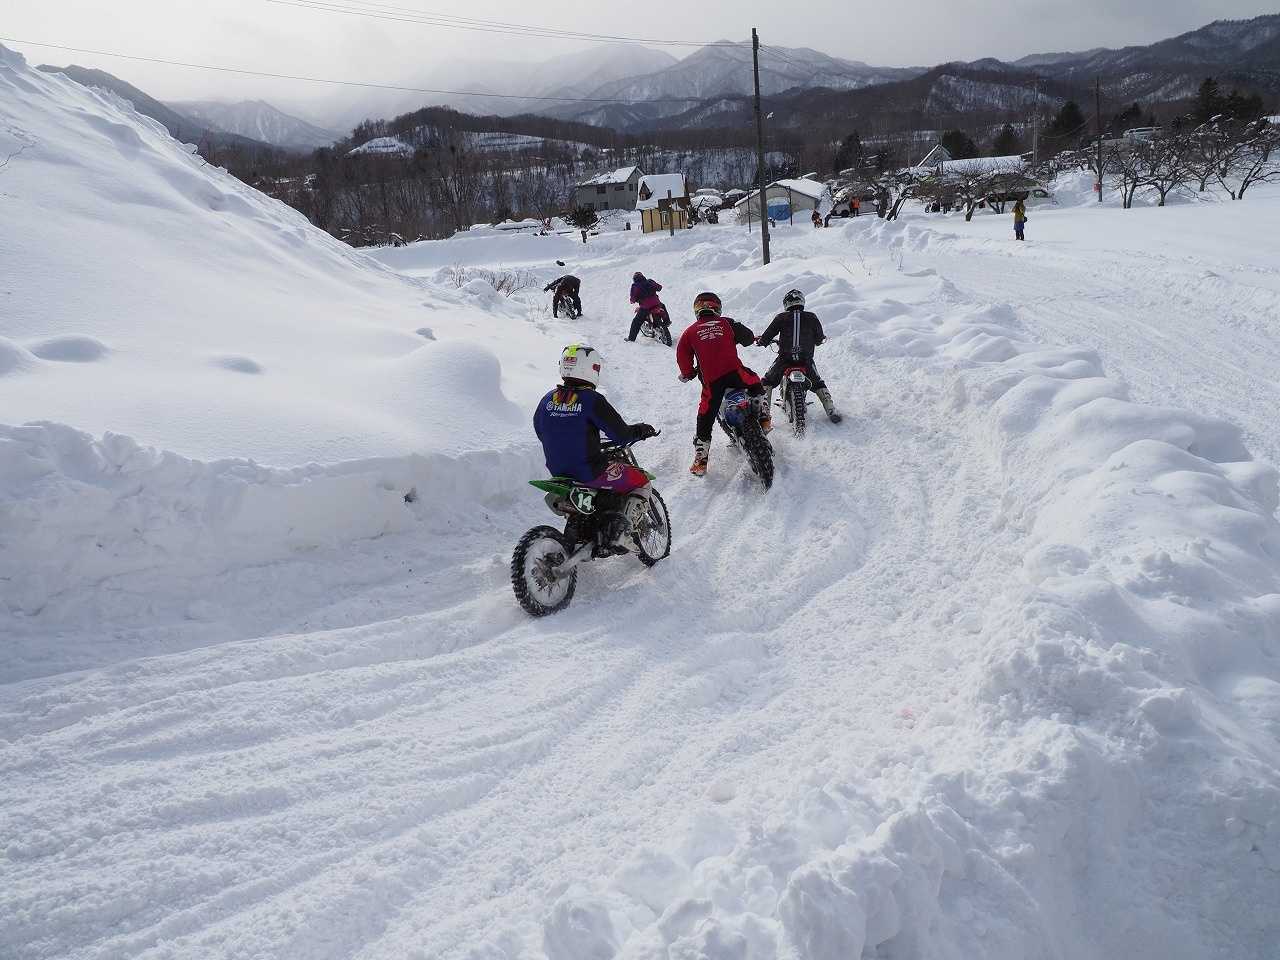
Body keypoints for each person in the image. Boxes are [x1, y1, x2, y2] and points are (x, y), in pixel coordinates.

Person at [533, 344, 658, 554]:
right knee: (641, 481)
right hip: (590, 471)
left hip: (559, 473)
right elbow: (621, 435)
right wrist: (640, 430)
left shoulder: (547, 399)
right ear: (589, 368)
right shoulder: (592, 400)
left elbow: (541, 431)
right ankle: (621, 535)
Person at [676, 292, 767, 477]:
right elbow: (748, 337)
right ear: (717, 308)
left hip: (712, 383)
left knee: (705, 418)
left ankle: (701, 462)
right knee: (755, 381)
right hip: (736, 374)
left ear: (697, 310)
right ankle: (764, 418)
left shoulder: (689, 332)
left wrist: (688, 373)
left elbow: (682, 356)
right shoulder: (727, 323)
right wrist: (745, 339)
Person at [756, 288, 842, 424]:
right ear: (802, 301)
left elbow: (767, 336)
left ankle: (764, 414)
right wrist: (818, 340)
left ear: (786, 303)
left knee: (767, 381)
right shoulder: (812, 317)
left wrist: (762, 341)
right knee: (818, 383)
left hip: (785, 360)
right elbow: (819, 338)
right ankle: (831, 409)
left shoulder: (781, 318)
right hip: (805, 360)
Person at [627, 271, 666, 342]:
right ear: (643, 277)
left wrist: (632, 301)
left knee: (636, 322)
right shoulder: (650, 281)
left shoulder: (635, 286)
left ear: (634, 279)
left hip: (646, 307)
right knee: (663, 306)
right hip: (657, 303)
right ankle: (666, 322)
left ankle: (631, 339)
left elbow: (633, 298)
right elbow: (659, 288)